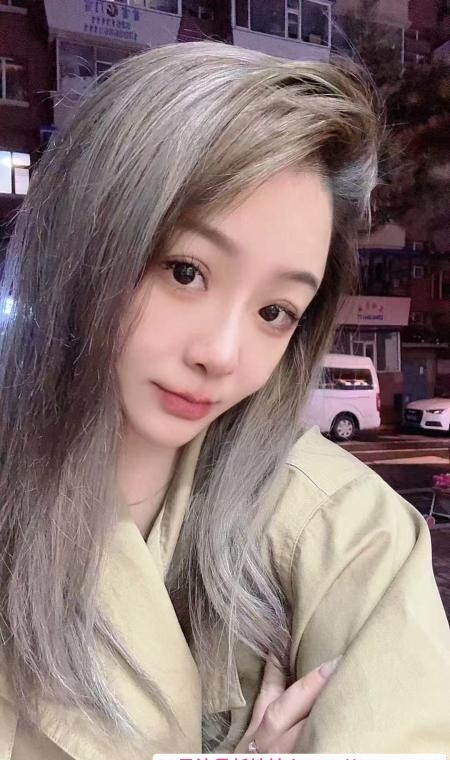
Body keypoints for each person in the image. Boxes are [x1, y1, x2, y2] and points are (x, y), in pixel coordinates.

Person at [0, 42, 448, 760]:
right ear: (82, 241)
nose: (223, 353)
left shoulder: (346, 532)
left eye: (275, 312)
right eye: (185, 272)